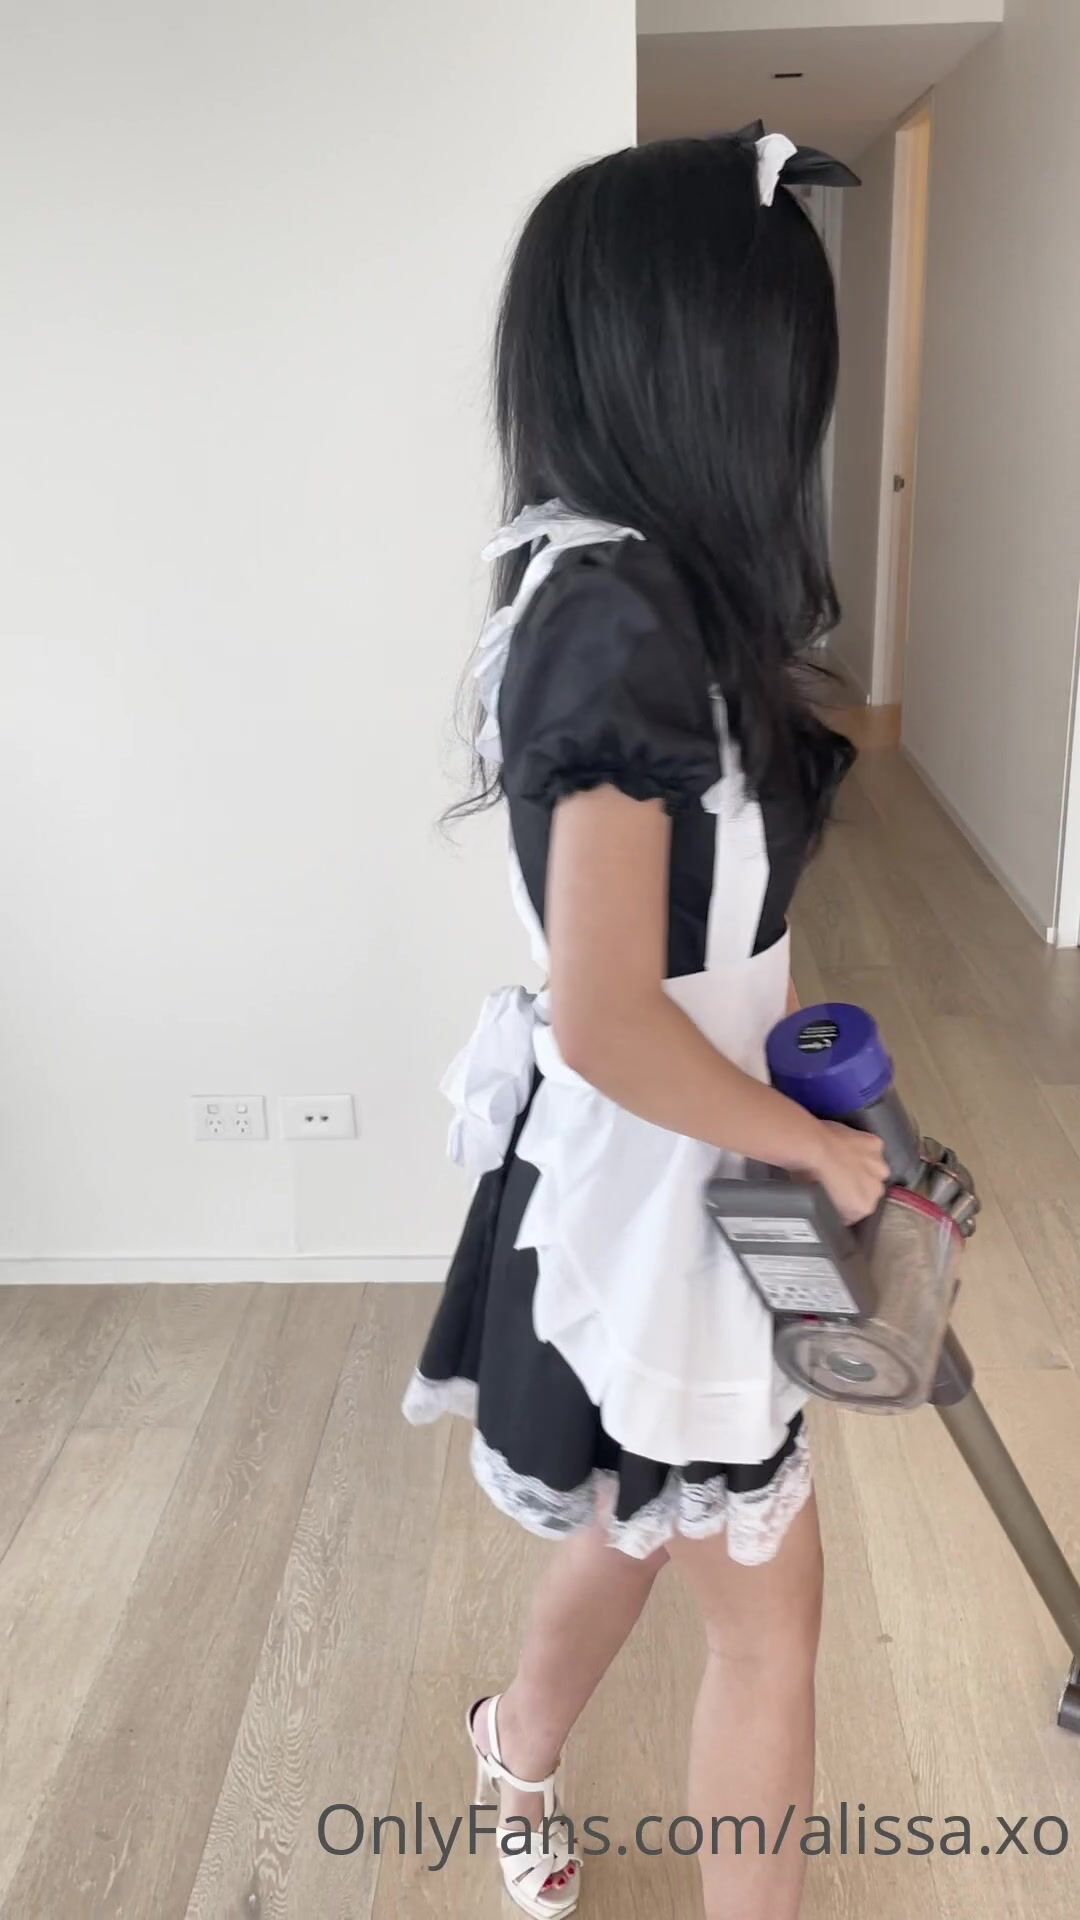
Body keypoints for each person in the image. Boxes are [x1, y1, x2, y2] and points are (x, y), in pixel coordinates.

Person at [403, 126, 889, 1920]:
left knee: (644, 1509)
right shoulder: (615, 609)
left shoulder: (634, 582)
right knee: (767, 1623)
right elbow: (610, 1015)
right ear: (712, 363)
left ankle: (513, 1745)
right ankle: (517, 1748)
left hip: (700, 1152)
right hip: (667, 1172)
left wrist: (815, 1087)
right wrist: (814, 1149)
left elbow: (707, 939)